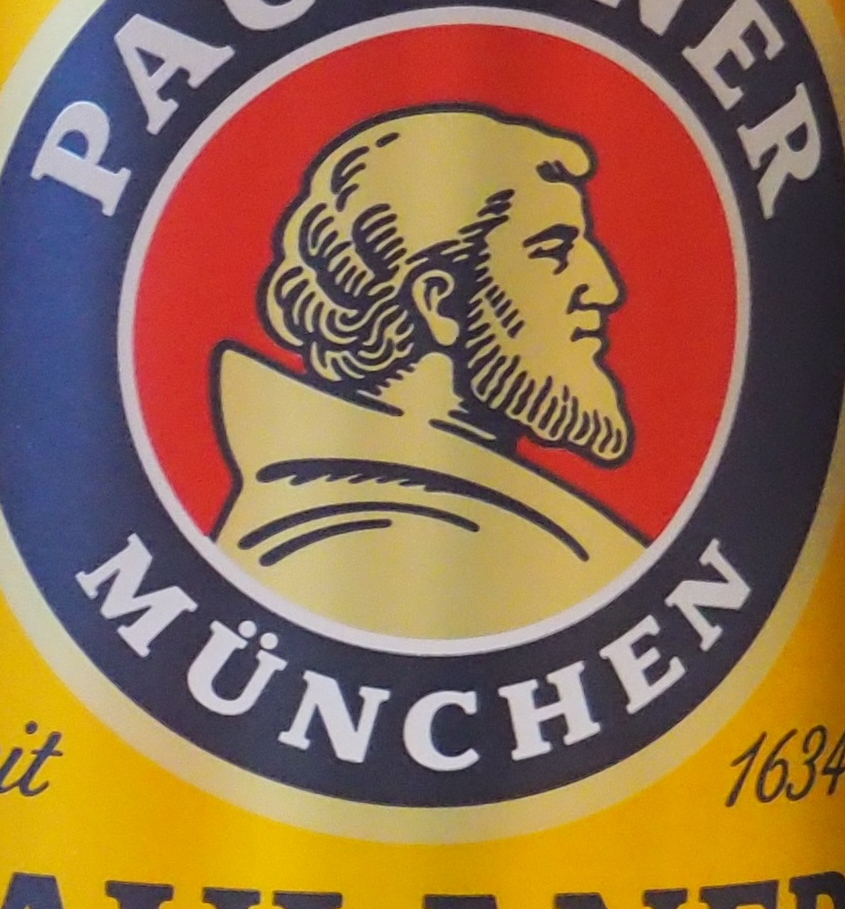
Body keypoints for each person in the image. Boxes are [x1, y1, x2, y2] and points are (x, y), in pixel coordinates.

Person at [207, 106, 652, 645]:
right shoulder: (353, 539)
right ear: (440, 302)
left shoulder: (474, 514)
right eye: (555, 251)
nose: (605, 287)